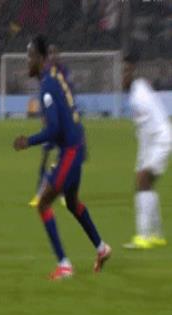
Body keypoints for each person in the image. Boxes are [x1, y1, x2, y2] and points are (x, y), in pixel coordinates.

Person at [13, 35, 111, 280]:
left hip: (70, 151)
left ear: (40, 58)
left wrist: (28, 141)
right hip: (75, 147)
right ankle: (102, 248)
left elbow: (54, 129)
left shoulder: (47, 86)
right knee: (73, 203)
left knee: (44, 204)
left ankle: (64, 265)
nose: (27, 61)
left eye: (30, 56)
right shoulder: (54, 78)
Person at [122, 52, 172, 249]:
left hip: (160, 140)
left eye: (125, 72)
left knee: (142, 180)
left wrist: (142, 163)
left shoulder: (138, 98)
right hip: (161, 138)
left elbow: (147, 132)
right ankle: (157, 235)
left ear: (132, 73)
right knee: (146, 184)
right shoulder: (140, 86)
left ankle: (143, 236)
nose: (122, 77)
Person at [29, 44, 67, 209]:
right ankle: (39, 193)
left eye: (54, 53)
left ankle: (63, 193)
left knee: (62, 160)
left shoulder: (62, 73)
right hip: (50, 123)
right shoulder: (45, 74)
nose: (52, 56)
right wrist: (44, 118)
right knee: (45, 159)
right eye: (50, 53)